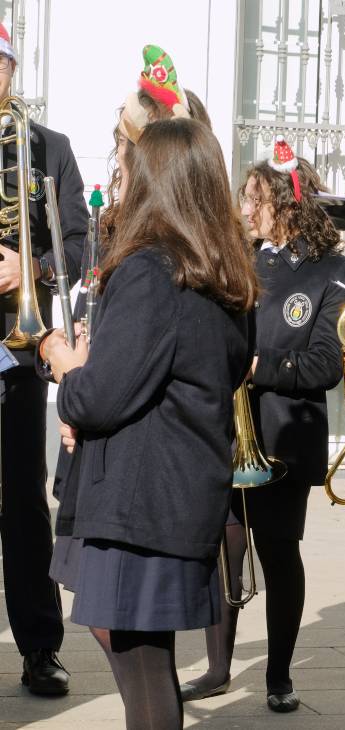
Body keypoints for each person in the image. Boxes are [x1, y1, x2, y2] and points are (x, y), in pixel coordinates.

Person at [40, 117, 257, 730]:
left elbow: (99, 397)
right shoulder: (220, 269)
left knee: (141, 667)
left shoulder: (151, 268)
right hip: (175, 492)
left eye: (130, 166)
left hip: (142, 497)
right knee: (141, 657)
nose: (121, 175)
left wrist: (67, 366)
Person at [176, 137, 345, 713]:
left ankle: (279, 675)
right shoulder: (238, 260)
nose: (246, 209)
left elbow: (327, 362)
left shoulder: (337, 269)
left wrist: (259, 366)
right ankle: (220, 669)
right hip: (226, 433)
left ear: (287, 201)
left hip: (282, 436)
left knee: (279, 553)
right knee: (223, 548)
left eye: (256, 199)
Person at [0, 21, 88, 697]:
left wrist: (26, 270)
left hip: (16, 353)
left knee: (25, 501)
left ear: (13, 68)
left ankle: (40, 648)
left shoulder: (49, 148)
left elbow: (78, 243)